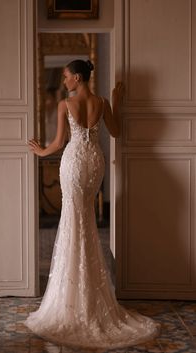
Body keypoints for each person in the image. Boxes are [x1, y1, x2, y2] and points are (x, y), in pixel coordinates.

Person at [25, 59, 160, 351]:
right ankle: (90, 296)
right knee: (85, 220)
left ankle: (73, 298)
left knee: (73, 221)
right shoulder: (101, 102)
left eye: (65, 77)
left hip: (74, 163)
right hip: (94, 163)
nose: (64, 82)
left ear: (76, 77)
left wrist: (39, 152)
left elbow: (59, 143)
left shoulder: (65, 104)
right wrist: (117, 102)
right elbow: (116, 131)